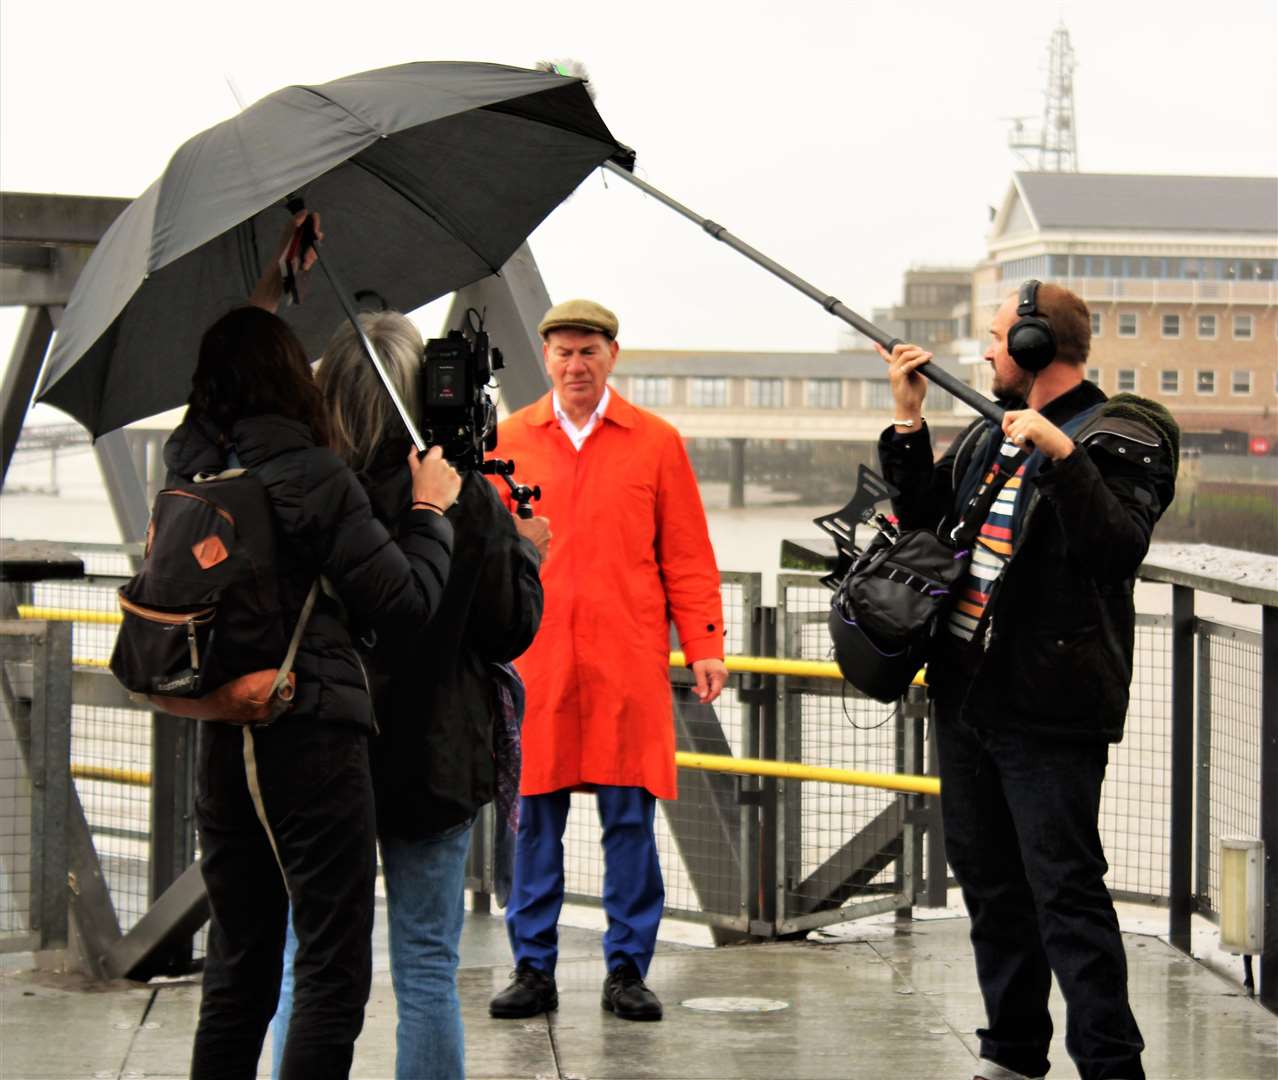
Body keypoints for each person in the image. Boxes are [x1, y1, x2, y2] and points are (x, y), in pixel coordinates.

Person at [875, 280, 1177, 1080]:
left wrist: (1059, 452)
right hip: (968, 696)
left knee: (1066, 895)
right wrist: (909, 421)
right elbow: (923, 527)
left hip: (1050, 707)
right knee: (991, 886)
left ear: (1040, 347)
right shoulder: (986, 436)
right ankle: (1011, 1052)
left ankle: (1112, 1067)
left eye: (997, 336)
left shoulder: (1127, 429)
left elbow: (1116, 549)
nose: (984, 351)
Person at [174, 304, 462, 1080]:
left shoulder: (194, 465)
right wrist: (431, 511)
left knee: (239, 966)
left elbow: (223, 377)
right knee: (333, 972)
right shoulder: (316, 477)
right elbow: (402, 603)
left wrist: (272, 285)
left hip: (224, 743)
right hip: (312, 744)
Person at [269, 310, 547, 1080]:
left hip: (322, 755)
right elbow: (508, 630)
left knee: (307, 956)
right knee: (427, 967)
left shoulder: (306, 495)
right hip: (434, 757)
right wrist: (526, 557)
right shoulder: (463, 500)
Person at [487, 299, 729, 1024]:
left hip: (627, 661)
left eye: (588, 350)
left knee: (630, 822)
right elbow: (482, 557)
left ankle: (628, 970)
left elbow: (686, 553)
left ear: (612, 355)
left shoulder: (655, 442)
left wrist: (706, 643)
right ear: (545, 356)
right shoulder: (505, 442)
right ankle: (533, 968)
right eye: (562, 351)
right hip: (538, 661)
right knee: (532, 819)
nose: (575, 364)